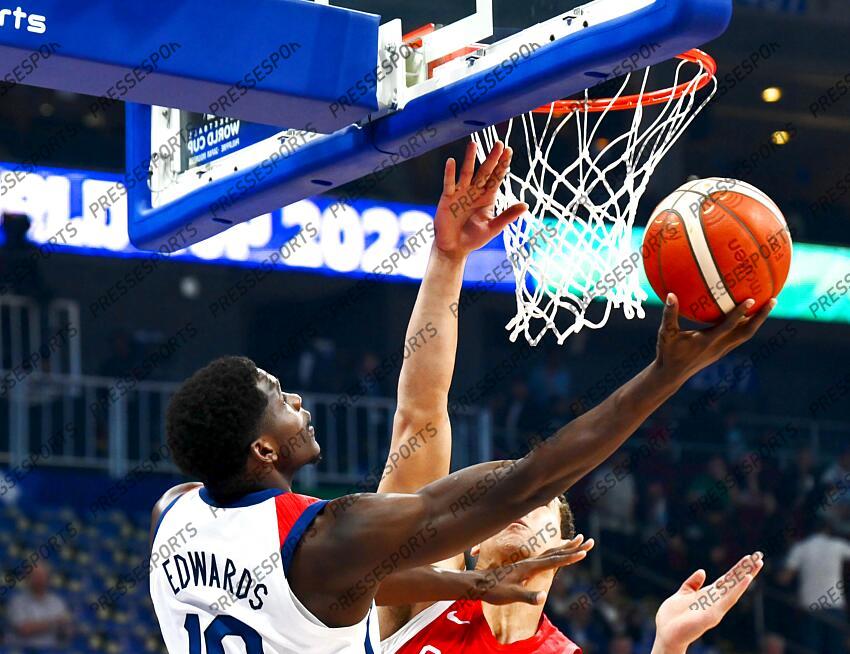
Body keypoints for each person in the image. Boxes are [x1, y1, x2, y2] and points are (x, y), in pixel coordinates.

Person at [151, 141, 774, 653]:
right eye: (280, 398)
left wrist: (448, 260)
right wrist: (665, 375)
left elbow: (420, 431)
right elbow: (522, 478)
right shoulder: (338, 543)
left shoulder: (174, 513)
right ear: (261, 449)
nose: (298, 400)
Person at [778, 519, 850, 652]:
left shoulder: (801, 548)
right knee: (836, 649)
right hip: (834, 605)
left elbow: (784, 578)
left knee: (810, 649)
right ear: (828, 530)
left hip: (810, 607)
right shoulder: (837, 545)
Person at [5, 564, 73, 649]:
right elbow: (24, 630)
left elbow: (65, 629)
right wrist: (54, 623)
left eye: (43, 576)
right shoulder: (17, 602)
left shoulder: (57, 602)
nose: (41, 580)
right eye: (36, 576)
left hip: (52, 650)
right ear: (27, 579)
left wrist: (67, 629)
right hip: (26, 650)